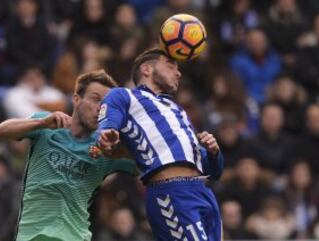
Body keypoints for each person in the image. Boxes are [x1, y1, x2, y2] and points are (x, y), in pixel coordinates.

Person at [95, 48, 224, 241]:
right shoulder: (125, 96)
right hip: (171, 192)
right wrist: (106, 133)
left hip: (202, 191)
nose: (178, 73)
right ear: (146, 69)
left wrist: (214, 152)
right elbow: (106, 124)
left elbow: (214, 172)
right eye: (171, 65)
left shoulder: (177, 109)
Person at [0, 70, 137, 241]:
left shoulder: (107, 146)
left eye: (106, 104)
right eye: (95, 99)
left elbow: (149, 164)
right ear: (76, 99)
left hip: (75, 236)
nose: (100, 108)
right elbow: (0, 131)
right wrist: (41, 123)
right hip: (33, 235)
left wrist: (122, 146)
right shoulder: (47, 125)